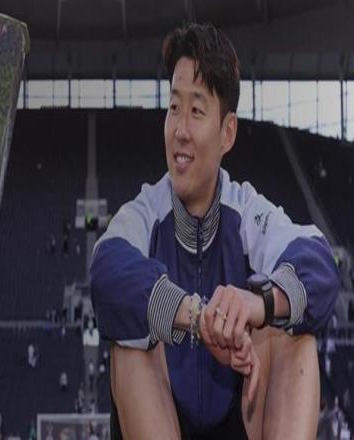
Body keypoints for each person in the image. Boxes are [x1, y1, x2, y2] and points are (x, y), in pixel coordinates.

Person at [89, 23, 340, 439]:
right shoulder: (144, 212)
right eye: (174, 107)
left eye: (196, 111)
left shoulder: (247, 212)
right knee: (130, 340)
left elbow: (320, 266)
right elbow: (106, 272)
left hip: (241, 418)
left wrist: (257, 304)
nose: (180, 129)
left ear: (227, 132)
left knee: (293, 332)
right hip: (160, 418)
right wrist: (200, 316)